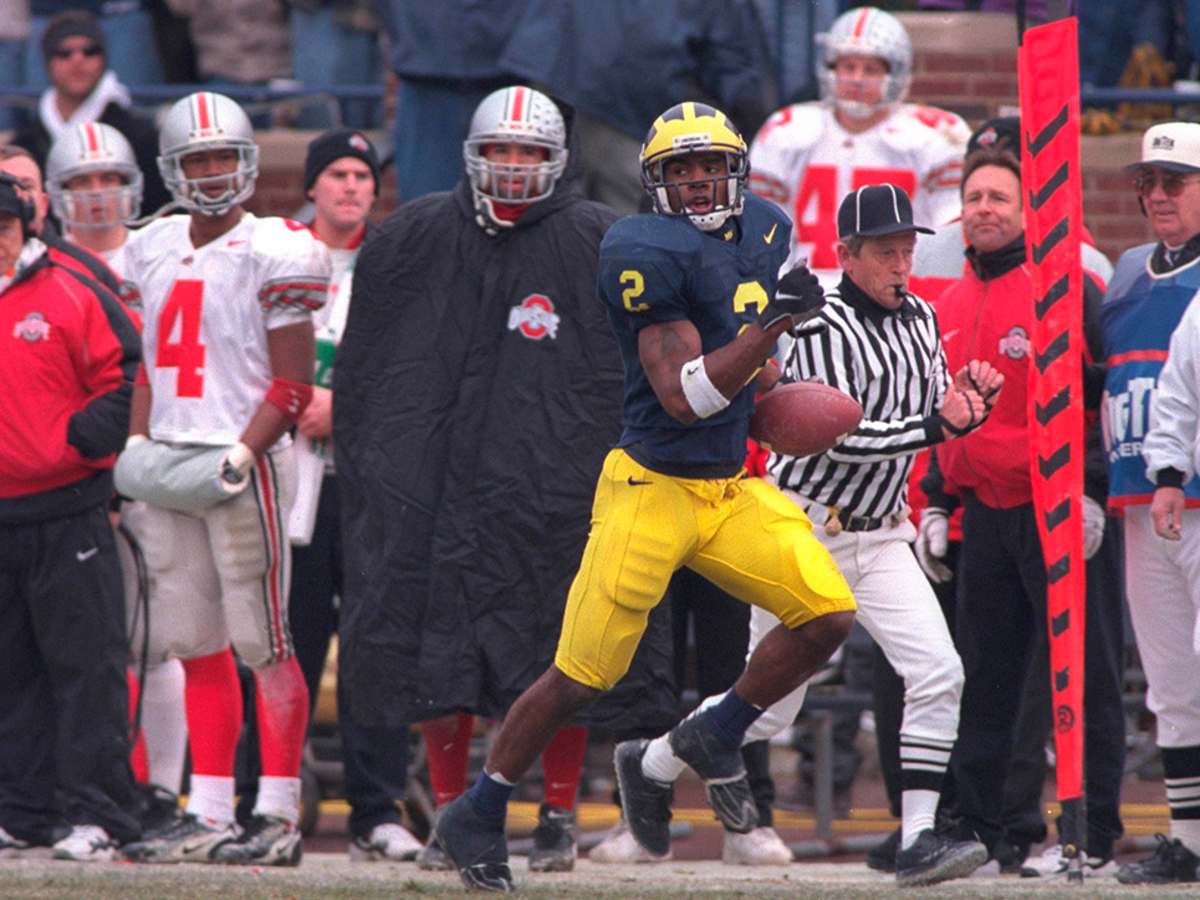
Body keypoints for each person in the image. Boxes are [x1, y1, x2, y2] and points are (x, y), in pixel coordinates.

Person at [416, 99, 857, 893]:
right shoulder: (640, 247)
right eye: (681, 169)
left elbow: (758, 373)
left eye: (710, 166)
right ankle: (478, 810)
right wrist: (770, 330)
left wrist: (783, 390)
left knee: (826, 617)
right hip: (650, 486)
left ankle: (712, 734)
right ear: (655, 181)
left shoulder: (765, 229)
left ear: (738, 170)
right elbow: (684, 396)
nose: (698, 181)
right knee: (581, 674)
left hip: (729, 485)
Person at [335, 85, 678, 877]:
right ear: (474, 154)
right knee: (437, 658)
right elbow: (371, 377)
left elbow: (626, 371)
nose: (514, 165)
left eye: (529, 151)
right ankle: (449, 815)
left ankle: (557, 814)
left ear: (557, 159)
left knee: (564, 652)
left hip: (555, 490)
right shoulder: (413, 236)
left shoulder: (599, 239)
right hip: (435, 489)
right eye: (501, 149)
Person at [617, 183, 1002, 887]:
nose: (901, 265)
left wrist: (968, 400)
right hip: (805, 527)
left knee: (939, 671)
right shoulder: (816, 322)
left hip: (881, 534)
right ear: (846, 255)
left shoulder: (922, 316)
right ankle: (652, 761)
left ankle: (918, 837)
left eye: (907, 250)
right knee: (768, 711)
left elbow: (932, 406)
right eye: (884, 252)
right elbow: (831, 438)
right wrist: (933, 426)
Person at [115, 90, 331, 867]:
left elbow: (293, 384)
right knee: (194, 642)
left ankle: (276, 811)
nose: (209, 173)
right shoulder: (150, 246)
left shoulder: (275, 247)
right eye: (196, 160)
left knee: (263, 642)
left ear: (245, 164)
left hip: (242, 462)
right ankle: (208, 809)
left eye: (221, 158)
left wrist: (246, 451)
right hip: (171, 460)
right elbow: (149, 365)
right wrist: (138, 441)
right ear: (173, 169)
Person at [917, 146, 1126, 876]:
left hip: (1060, 512)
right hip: (986, 515)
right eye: (974, 197)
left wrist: (1093, 489)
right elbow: (946, 413)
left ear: (1027, 210)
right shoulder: (949, 303)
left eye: (999, 197)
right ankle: (988, 832)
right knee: (985, 679)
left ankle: (1091, 835)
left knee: (1085, 673)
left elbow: (1104, 397)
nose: (984, 209)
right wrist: (937, 500)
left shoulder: (1065, 290)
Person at [281, 127, 423, 862]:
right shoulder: (277, 255)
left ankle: (377, 809)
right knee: (287, 646)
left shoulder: (396, 264)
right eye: (336, 173)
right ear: (311, 185)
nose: (351, 186)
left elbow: (422, 373)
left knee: (377, 648)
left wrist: (347, 405)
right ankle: (269, 799)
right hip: (290, 482)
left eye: (362, 176)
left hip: (372, 488)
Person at [44, 120, 190, 827]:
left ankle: (158, 790)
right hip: (68, 475)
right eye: (81, 181)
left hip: (154, 459)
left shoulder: (160, 249)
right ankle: (68, 791)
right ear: (55, 193)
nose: (98, 194)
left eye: (109, 179)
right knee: (71, 647)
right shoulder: (40, 264)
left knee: (157, 636)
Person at [0, 172, 143, 861]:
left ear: (26, 223)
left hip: (69, 509)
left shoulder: (73, 286)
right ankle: (23, 812)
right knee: (11, 671)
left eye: (2, 226)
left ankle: (100, 814)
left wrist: (78, 441)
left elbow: (132, 375)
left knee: (87, 667)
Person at [1103, 121, 1200, 885]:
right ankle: (1189, 839)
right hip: (1141, 494)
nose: (1158, 195)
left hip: (1193, 492)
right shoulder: (1129, 272)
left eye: (1175, 182)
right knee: (1169, 681)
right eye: (1148, 183)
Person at [749, 6, 969, 286]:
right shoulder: (786, 131)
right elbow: (765, 237)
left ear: (896, 73)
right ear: (830, 68)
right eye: (848, 67)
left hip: (900, 294)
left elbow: (949, 239)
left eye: (871, 69)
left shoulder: (937, 136)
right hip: (810, 294)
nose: (857, 79)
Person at [11, 9, 169, 215]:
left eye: (90, 51)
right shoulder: (25, 144)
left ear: (103, 59)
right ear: (48, 62)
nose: (78, 60)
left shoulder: (140, 137)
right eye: (64, 52)